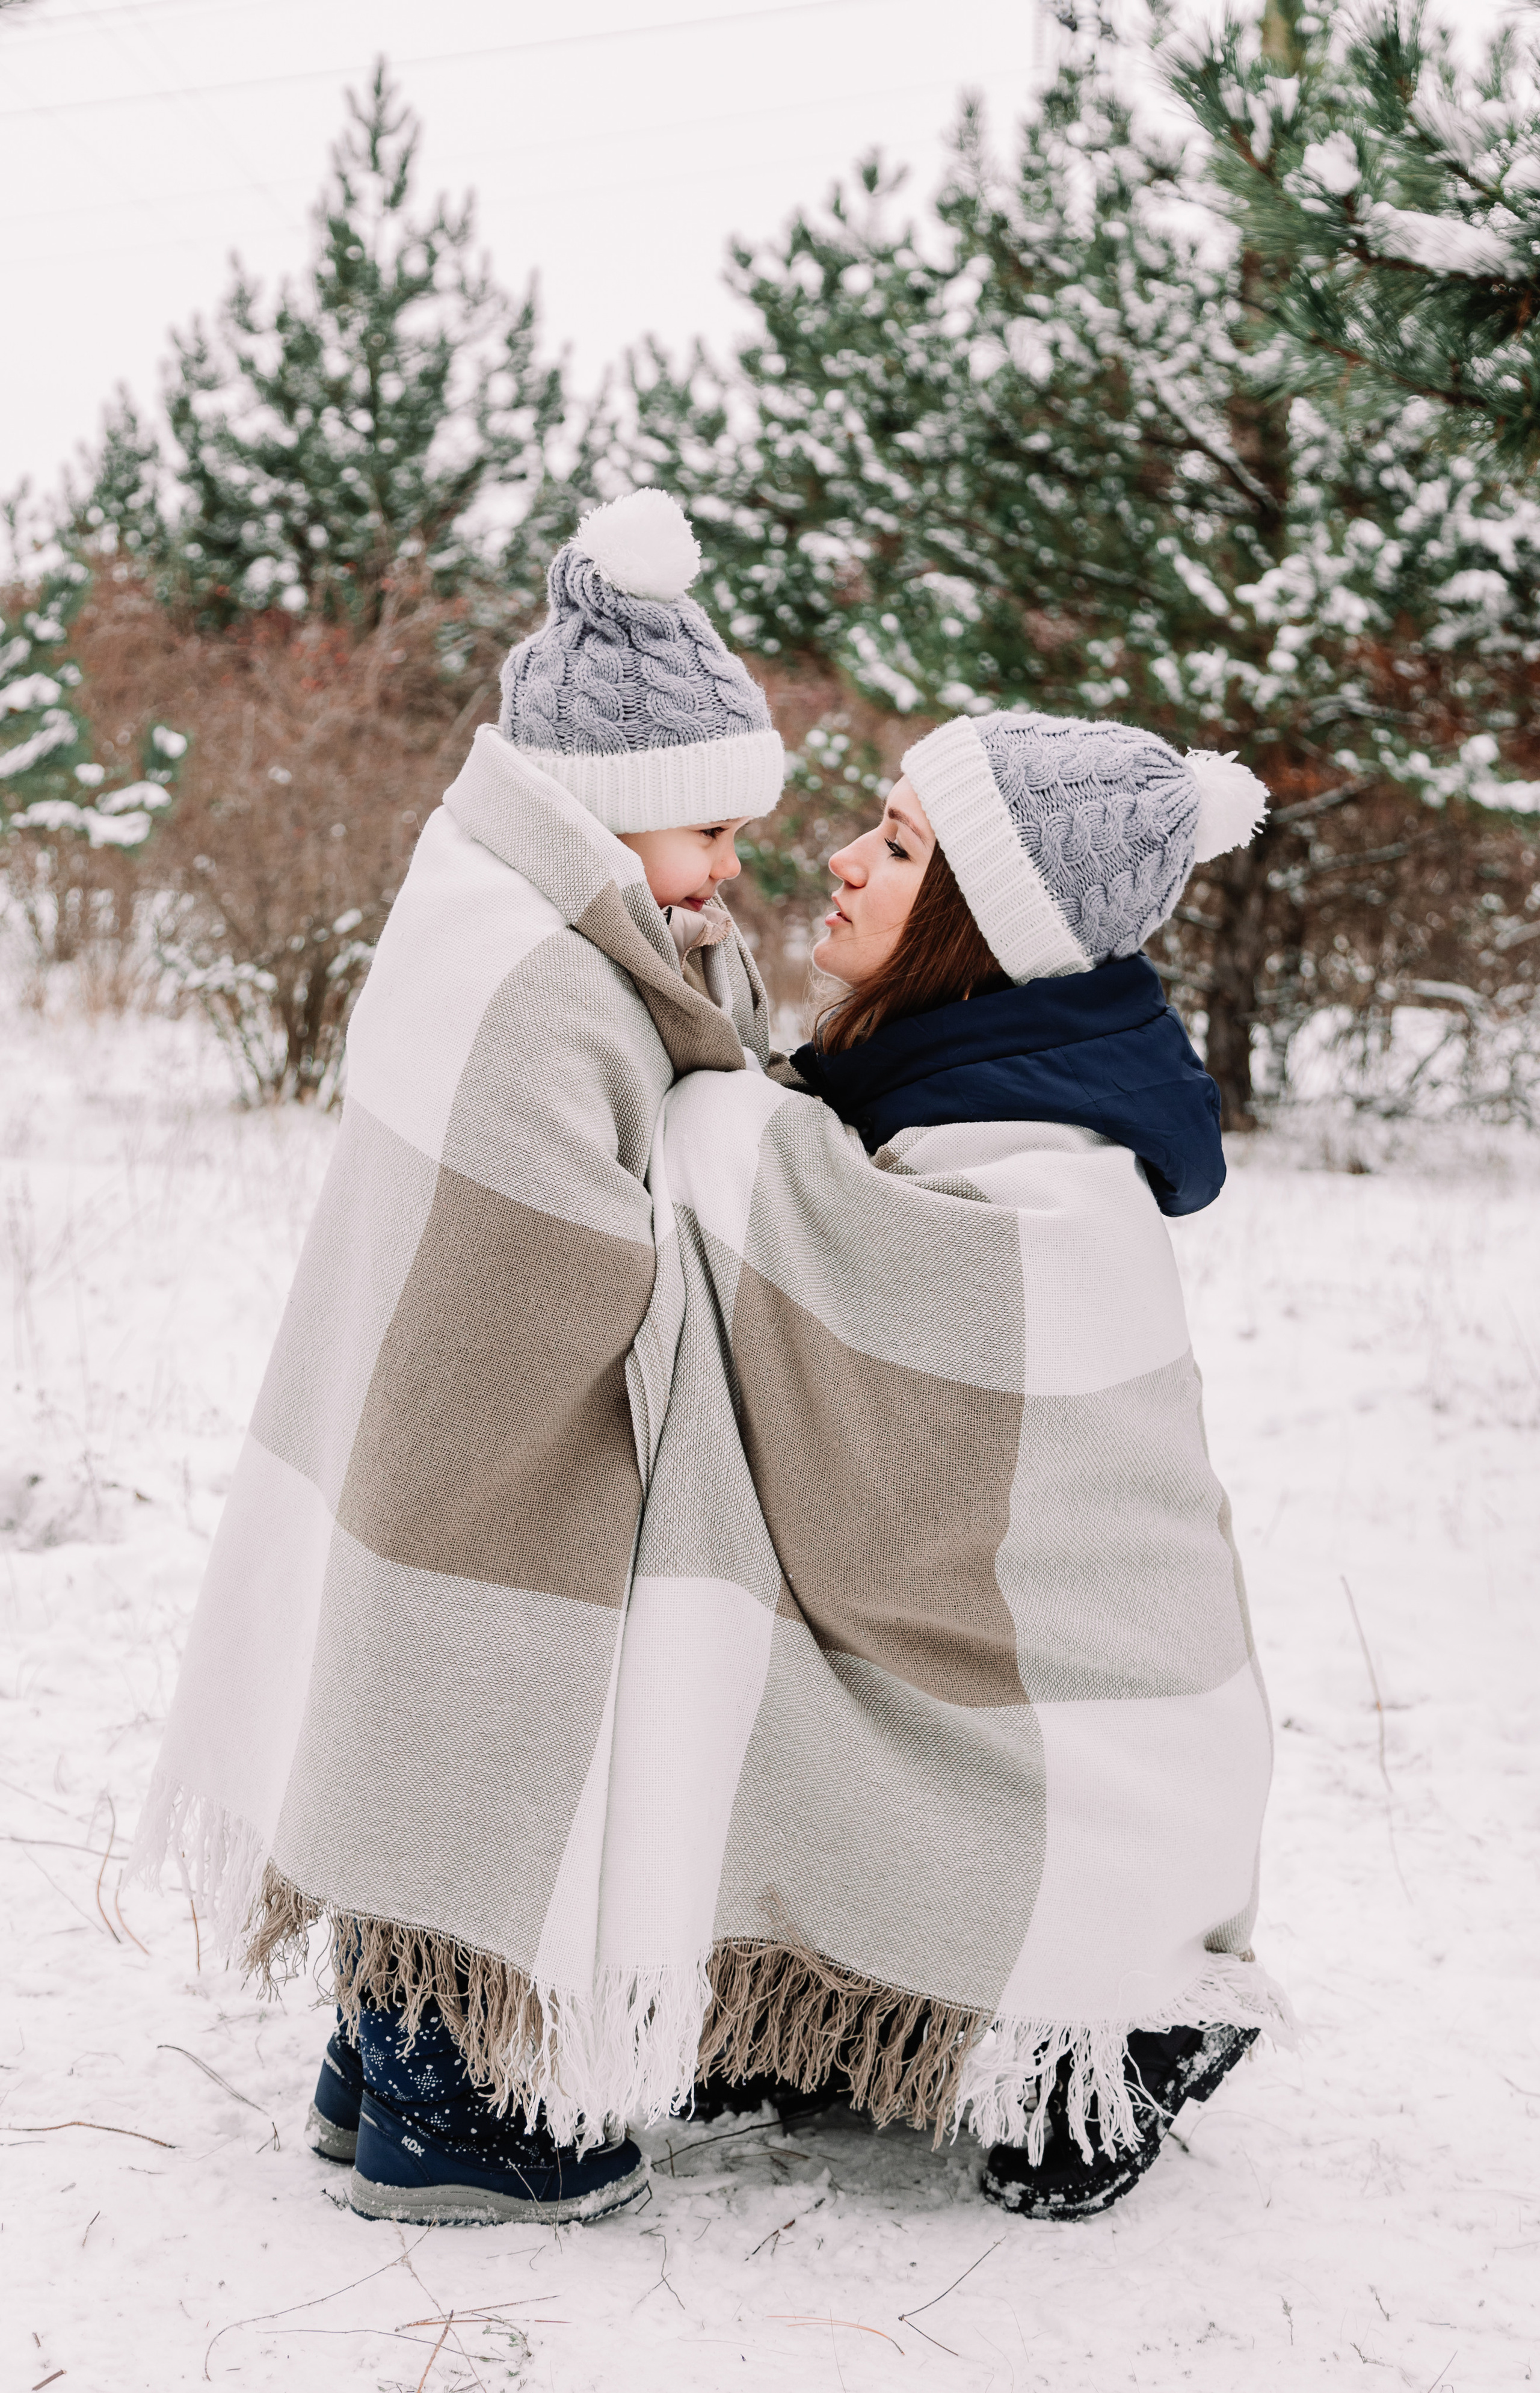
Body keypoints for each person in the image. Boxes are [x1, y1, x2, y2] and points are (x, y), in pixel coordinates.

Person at [129, 488, 788, 2226]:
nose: (728, 869)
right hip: (489, 1438)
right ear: (610, 813)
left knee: (424, 1704)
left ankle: (380, 2056)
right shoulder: (539, 977)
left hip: (421, 1431)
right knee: (477, 1722)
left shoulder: (509, 913)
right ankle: (446, 2104)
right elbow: (545, 1243)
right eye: (706, 831)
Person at [605, 706, 1290, 2222]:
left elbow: (859, 1321)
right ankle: (863, 1986)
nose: (843, 861)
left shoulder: (1048, 1165)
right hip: (999, 1710)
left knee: (1050, 2145)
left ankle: (1142, 2019)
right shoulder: (936, 1077)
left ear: (984, 920)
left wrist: (705, 1100)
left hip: (1102, 1754)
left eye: (900, 845)